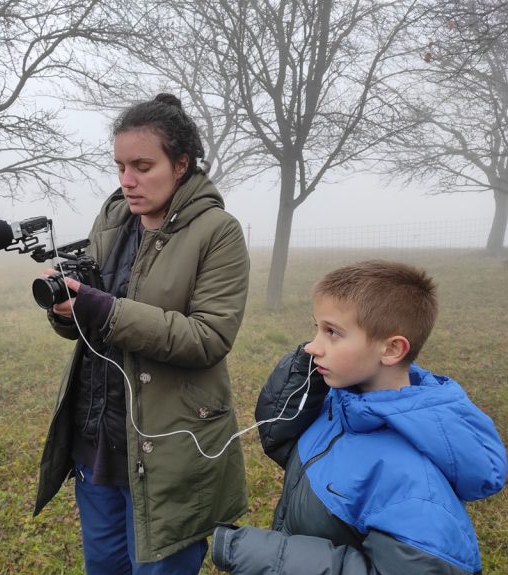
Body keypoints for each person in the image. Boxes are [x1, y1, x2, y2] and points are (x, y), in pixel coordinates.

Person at [33, 93, 250, 574]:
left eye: (143, 165)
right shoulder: (111, 222)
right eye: (119, 167)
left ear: (181, 164)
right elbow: (91, 325)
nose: (127, 181)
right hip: (97, 447)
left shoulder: (218, 232)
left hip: (169, 451)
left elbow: (208, 338)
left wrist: (103, 309)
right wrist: (69, 312)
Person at [212, 260, 507, 575]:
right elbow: (285, 443)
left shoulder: (413, 483)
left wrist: (272, 556)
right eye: (317, 328)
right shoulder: (341, 406)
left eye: (332, 332)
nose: (312, 345)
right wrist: (301, 378)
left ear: (391, 349)